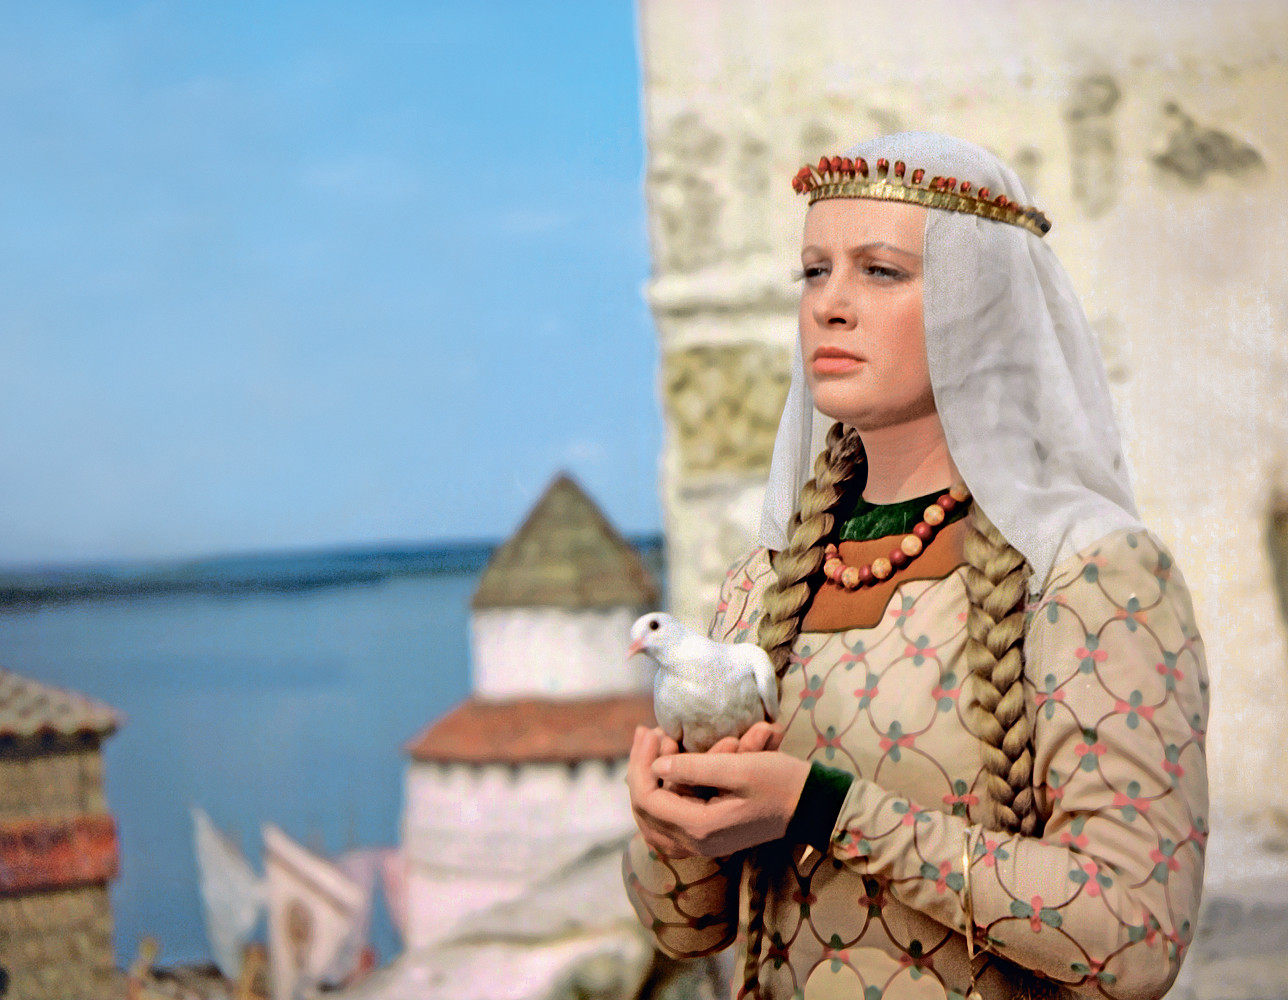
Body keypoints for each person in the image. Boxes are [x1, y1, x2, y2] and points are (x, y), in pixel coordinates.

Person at [623, 133, 1208, 1000]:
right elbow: (688, 929)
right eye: (814, 271)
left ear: (979, 306)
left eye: (881, 271)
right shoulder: (763, 583)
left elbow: (1135, 939)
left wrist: (821, 806)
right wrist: (669, 830)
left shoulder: (1092, 574)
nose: (830, 305)